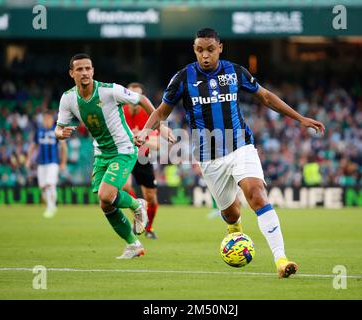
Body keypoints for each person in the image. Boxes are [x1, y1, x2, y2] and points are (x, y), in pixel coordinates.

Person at [134, 28, 325, 278]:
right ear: (194, 50)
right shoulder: (182, 79)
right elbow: (161, 112)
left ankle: (281, 260)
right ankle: (234, 227)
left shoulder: (235, 72)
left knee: (256, 194)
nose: (205, 55)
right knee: (231, 212)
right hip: (209, 157)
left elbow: (265, 97)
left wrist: (300, 118)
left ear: (220, 48)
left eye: (210, 50)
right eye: (200, 50)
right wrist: (146, 132)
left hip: (240, 146)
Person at [54, 53, 160, 259]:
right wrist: (61, 134)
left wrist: (155, 126)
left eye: (88, 68)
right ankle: (134, 245)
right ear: (71, 73)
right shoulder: (68, 98)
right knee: (105, 204)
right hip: (101, 153)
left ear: (93, 71)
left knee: (106, 195)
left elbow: (143, 100)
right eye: (80, 69)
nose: (84, 72)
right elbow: (59, 129)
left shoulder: (109, 90)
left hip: (123, 149)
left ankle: (138, 205)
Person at [122, 82, 167, 240]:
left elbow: (158, 145)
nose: (134, 100)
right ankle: (138, 209)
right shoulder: (119, 112)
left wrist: (141, 139)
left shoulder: (149, 115)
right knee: (125, 186)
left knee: (152, 199)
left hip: (142, 158)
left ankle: (149, 227)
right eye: (131, 95)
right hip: (124, 156)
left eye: (138, 96)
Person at [26, 111, 67, 218]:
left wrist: (63, 163)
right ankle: (52, 204)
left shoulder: (57, 131)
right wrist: (28, 159)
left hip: (53, 162)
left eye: (49, 119)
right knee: (42, 187)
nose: (47, 121)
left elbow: (63, 148)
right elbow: (33, 146)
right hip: (41, 163)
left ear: (52, 120)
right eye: (45, 119)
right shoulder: (39, 131)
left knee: (50, 184)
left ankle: (51, 207)